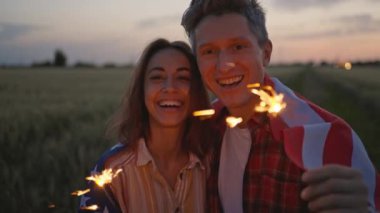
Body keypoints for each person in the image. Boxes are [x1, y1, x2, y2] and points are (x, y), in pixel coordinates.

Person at [181, 0, 380, 212]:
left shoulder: (325, 137)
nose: (224, 65)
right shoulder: (199, 133)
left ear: (265, 53)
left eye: (238, 46)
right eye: (209, 52)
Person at [78, 38, 213, 213]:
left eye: (183, 77)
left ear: (195, 91)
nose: (170, 87)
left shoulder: (211, 163)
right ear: (141, 91)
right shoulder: (111, 169)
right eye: (157, 77)